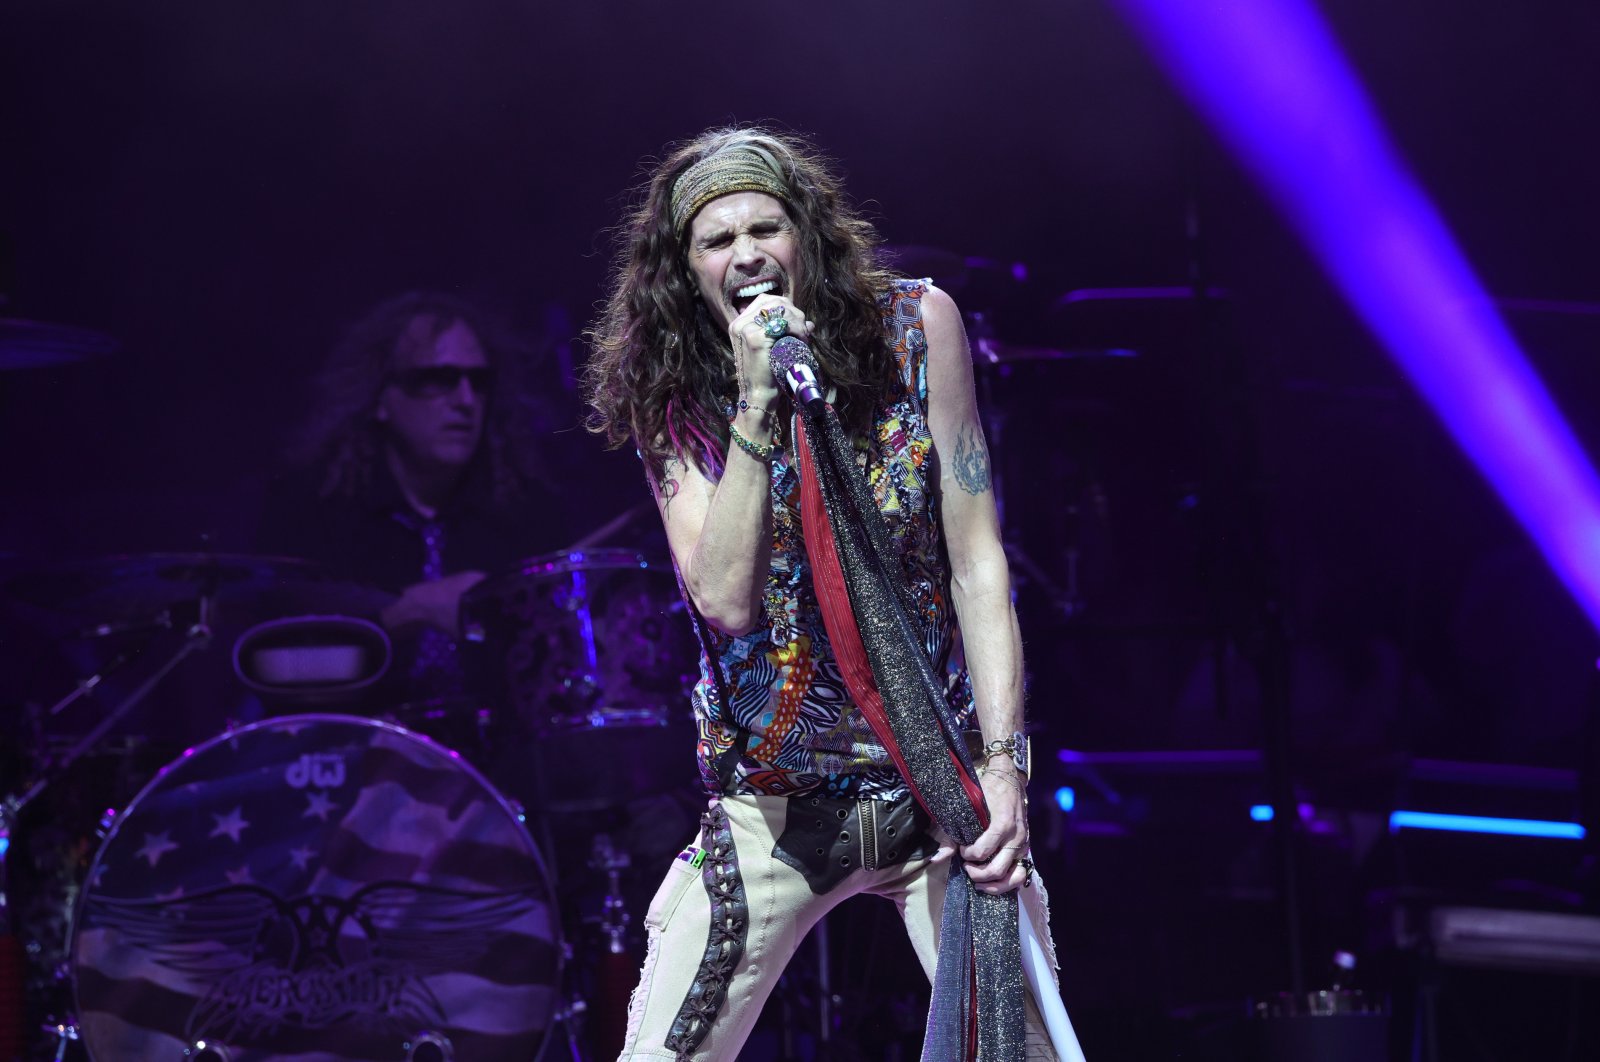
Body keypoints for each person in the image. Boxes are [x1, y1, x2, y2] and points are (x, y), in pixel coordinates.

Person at [585, 128, 1073, 1060]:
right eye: (716, 242)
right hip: (775, 802)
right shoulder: (673, 392)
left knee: (1024, 1049)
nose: (747, 256)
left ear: (804, 235)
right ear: (685, 271)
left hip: (935, 785)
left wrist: (1005, 765)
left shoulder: (917, 329)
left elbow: (977, 560)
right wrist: (756, 407)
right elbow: (723, 599)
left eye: (764, 228)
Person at [258, 291, 568, 704]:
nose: (464, 400)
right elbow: (277, 668)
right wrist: (403, 614)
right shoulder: (314, 513)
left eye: (478, 381)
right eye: (437, 379)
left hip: (497, 759)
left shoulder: (527, 513)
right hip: (355, 752)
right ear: (380, 397)